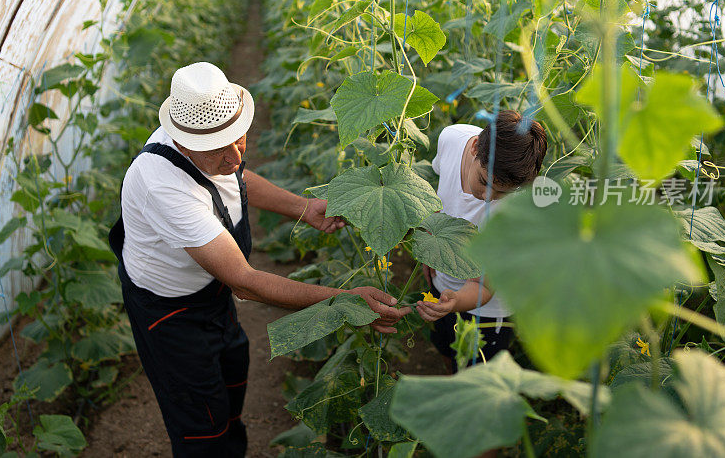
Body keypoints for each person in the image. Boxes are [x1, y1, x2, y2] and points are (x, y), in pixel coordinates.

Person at [108, 62, 409, 457]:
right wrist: (346, 299)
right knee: (201, 426)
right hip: (169, 313)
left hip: (210, 294)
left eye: (239, 138)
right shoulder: (160, 184)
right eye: (220, 149)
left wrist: (305, 208)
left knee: (232, 382)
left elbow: (239, 180)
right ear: (183, 143)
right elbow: (244, 281)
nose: (235, 156)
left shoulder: (207, 143)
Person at [415, 109, 547, 372]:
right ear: (475, 147)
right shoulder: (452, 138)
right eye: (485, 181)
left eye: (502, 192)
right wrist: (432, 244)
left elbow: (483, 288)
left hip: (487, 310)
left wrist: (452, 303)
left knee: (481, 372)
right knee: (446, 348)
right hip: (444, 285)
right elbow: (440, 196)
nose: (489, 197)